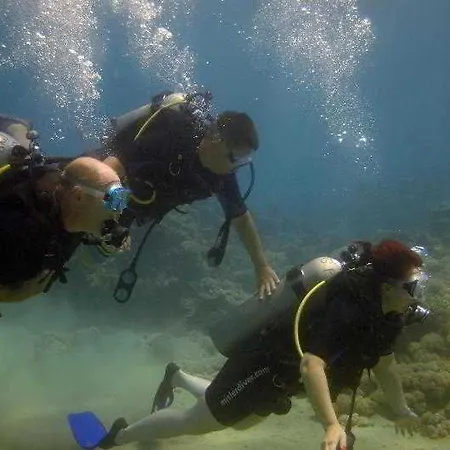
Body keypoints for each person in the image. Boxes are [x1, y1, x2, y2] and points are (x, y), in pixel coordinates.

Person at [67, 239, 429, 450]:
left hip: (280, 377)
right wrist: (331, 425)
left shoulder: (387, 316)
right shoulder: (349, 306)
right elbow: (312, 365)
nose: (417, 296)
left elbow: (385, 366)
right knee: (199, 422)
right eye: (413, 287)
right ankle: (115, 437)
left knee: (237, 423)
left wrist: (401, 410)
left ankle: (177, 377)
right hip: (262, 363)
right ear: (387, 286)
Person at [92, 91, 279, 299]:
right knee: (83, 223)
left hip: (133, 202)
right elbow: (113, 167)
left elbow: (241, 219)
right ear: (216, 140)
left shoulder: (222, 174)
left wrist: (261, 266)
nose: (237, 169)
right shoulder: (171, 133)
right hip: (101, 180)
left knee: (101, 250)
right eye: (236, 159)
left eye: (244, 162)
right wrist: (113, 219)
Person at [0, 115, 129, 302]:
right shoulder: (18, 228)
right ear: (78, 196)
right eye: (114, 199)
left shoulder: (76, 208)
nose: (120, 210)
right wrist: (10, 296)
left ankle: (18, 129)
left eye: (122, 198)